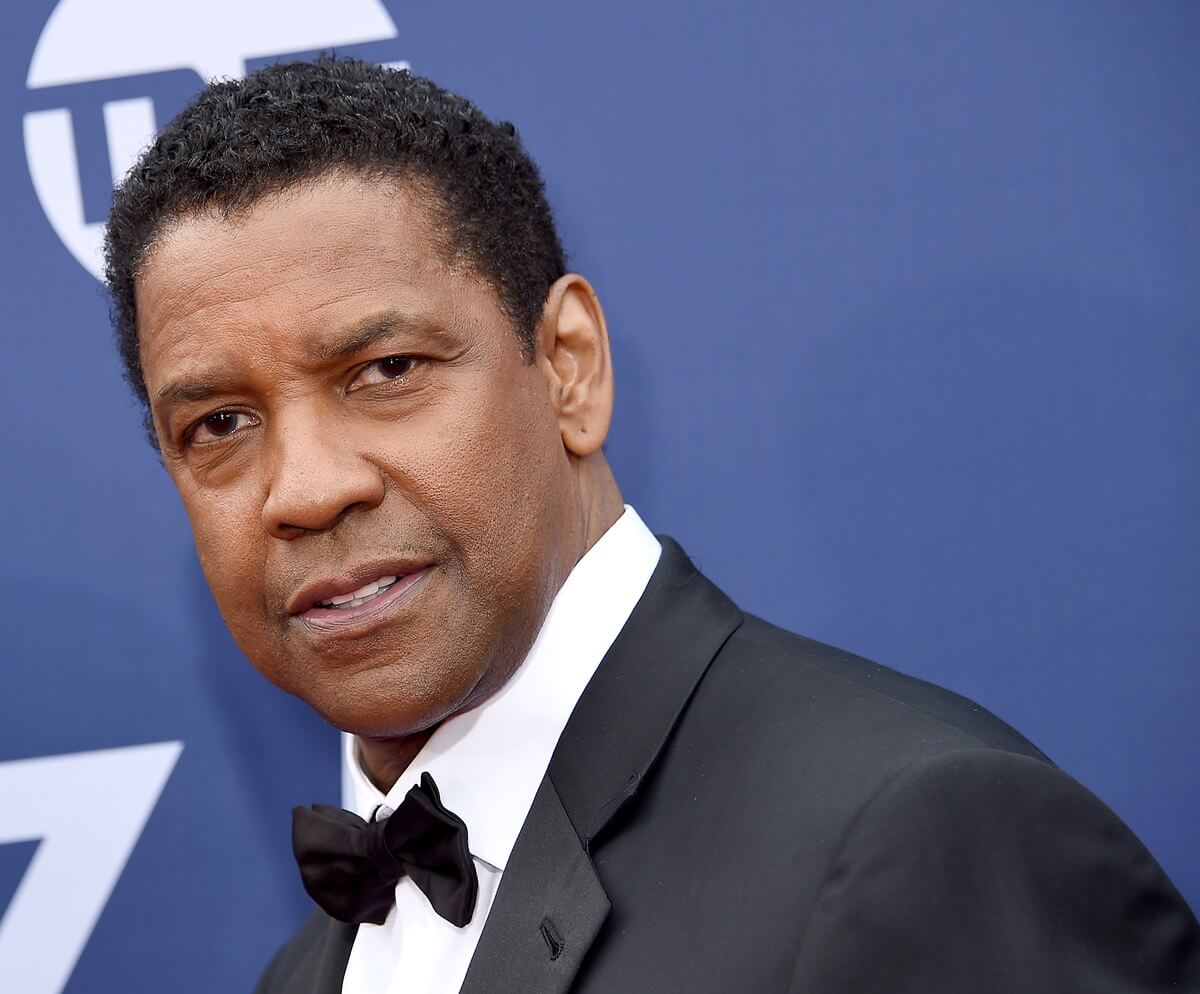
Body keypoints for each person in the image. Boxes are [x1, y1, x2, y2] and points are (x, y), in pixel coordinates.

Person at [103, 57, 1199, 994]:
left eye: (386, 370)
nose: (304, 487)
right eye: (221, 423)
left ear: (568, 370)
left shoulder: (916, 837)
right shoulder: (309, 971)